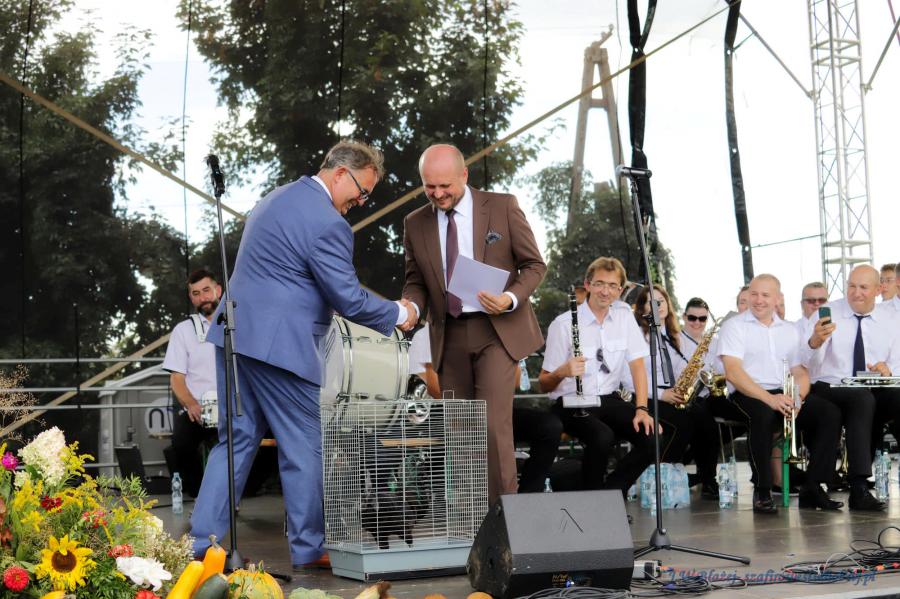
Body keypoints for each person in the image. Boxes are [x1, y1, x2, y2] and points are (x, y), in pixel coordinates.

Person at [191, 141, 417, 568]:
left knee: (234, 442)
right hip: (280, 346)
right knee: (304, 446)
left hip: (234, 335)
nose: (361, 202)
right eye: (362, 191)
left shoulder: (276, 197)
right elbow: (347, 298)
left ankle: (203, 544)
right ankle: (309, 548)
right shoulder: (327, 222)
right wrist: (400, 313)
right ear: (340, 173)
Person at [402, 144, 546, 502]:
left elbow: (534, 266)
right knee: (462, 432)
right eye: (429, 186)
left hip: (497, 330)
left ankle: (504, 518)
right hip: (448, 334)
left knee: (493, 427)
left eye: (445, 185)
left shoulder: (502, 206)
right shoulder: (414, 223)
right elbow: (415, 281)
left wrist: (509, 298)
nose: (438, 194)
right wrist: (410, 307)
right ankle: (472, 519)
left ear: (464, 174)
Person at [719, 274, 842, 513]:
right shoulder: (733, 326)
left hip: (784, 393)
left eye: (765, 295)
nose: (759, 300)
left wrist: (798, 398)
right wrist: (770, 400)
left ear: (778, 298)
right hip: (748, 392)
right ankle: (763, 490)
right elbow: (733, 372)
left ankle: (813, 487)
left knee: (829, 413)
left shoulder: (790, 330)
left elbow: (800, 371)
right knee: (763, 415)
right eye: (754, 294)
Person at [539, 257, 657, 493]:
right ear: (588, 285)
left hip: (608, 399)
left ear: (620, 290)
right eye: (600, 283)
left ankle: (611, 492)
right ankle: (594, 498)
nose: (605, 291)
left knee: (652, 436)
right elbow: (543, 384)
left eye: (612, 286)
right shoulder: (562, 324)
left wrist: (642, 410)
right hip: (571, 402)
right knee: (602, 437)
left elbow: (637, 367)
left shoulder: (624, 317)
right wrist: (562, 371)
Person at [804, 265, 900, 511]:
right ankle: (858, 486)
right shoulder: (827, 313)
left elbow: (896, 364)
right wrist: (815, 341)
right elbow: (807, 364)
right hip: (830, 384)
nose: (856, 293)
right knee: (862, 399)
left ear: (878, 290)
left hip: (870, 385)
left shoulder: (891, 319)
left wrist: (886, 369)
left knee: (895, 397)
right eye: (852, 286)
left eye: (864, 287)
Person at [162, 269, 222, 498]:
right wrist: (190, 403)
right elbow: (176, 378)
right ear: (191, 298)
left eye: (206, 290)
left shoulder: (236, 324)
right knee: (181, 443)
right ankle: (201, 496)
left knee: (264, 439)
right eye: (196, 293)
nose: (203, 297)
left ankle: (234, 493)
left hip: (232, 408)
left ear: (218, 290)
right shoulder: (183, 330)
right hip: (198, 409)